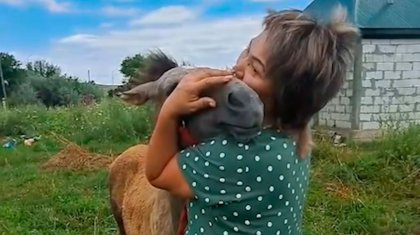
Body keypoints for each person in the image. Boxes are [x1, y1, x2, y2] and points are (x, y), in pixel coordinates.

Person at [145, 6, 360, 235]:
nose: (238, 67)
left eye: (254, 68)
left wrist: (170, 110)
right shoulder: (293, 139)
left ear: (284, 97)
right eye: (247, 50)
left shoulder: (234, 156)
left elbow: (158, 173)